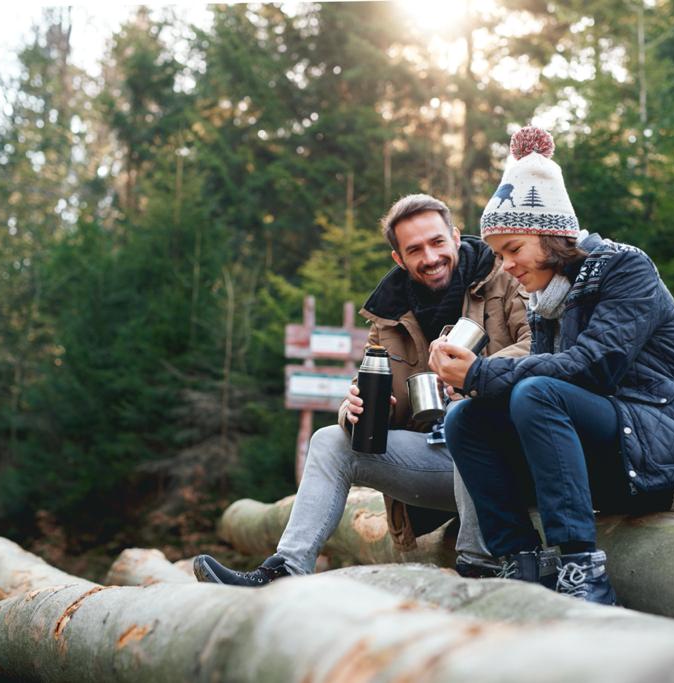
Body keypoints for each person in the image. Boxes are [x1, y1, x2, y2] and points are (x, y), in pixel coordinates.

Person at [430, 126, 674, 604]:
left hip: (666, 461)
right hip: (600, 463)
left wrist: (482, 374)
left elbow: (592, 369)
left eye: (513, 250)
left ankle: (581, 569)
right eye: (499, 255)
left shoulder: (626, 269)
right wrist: (468, 383)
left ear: (551, 235)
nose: (506, 266)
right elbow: (544, 382)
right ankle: (520, 563)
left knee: (536, 392)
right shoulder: (546, 299)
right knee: (467, 419)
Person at [194, 193, 531, 586]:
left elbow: (539, 347)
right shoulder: (388, 316)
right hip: (439, 462)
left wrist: (477, 374)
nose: (430, 257)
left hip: (506, 457)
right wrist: (356, 409)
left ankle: (479, 567)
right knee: (329, 442)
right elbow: (368, 389)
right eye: (415, 249)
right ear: (399, 259)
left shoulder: (505, 277)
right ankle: (283, 572)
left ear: (455, 237)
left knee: (466, 416)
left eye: (437, 242)